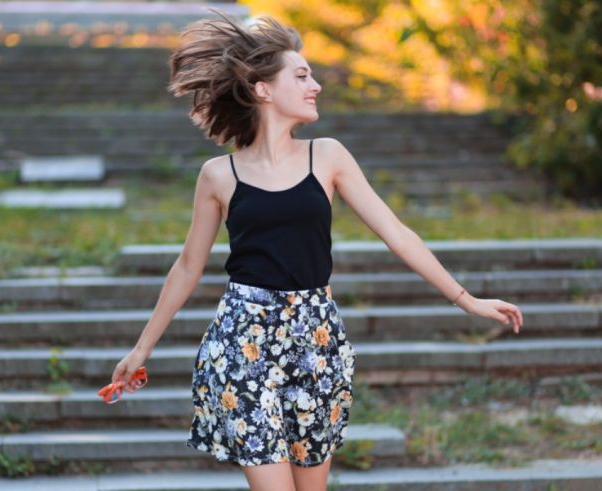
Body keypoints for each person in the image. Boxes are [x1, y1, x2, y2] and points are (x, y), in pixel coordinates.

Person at [109, 8, 524, 491]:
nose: (316, 85)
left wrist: (466, 299)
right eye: (302, 75)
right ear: (263, 90)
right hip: (242, 342)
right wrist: (142, 348)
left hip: (317, 339)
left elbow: (397, 233)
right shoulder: (218, 175)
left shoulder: (327, 156)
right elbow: (187, 268)